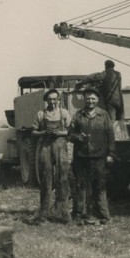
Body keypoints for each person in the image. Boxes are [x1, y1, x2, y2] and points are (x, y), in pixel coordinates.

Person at [69, 87, 115, 225]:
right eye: (88, 98)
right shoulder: (78, 115)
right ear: (84, 99)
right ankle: (80, 215)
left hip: (99, 156)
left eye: (93, 98)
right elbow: (69, 134)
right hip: (81, 157)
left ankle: (104, 215)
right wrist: (78, 137)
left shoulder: (104, 115)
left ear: (97, 100)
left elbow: (110, 136)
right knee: (81, 186)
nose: (90, 101)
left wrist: (111, 154)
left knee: (99, 186)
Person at [32, 88, 72, 223]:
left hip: (60, 146)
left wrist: (59, 133)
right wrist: (44, 132)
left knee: (63, 178)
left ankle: (62, 211)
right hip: (45, 146)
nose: (52, 102)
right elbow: (33, 132)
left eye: (55, 99)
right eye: (50, 99)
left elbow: (71, 132)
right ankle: (44, 212)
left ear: (58, 100)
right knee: (46, 177)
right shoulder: (40, 114)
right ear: (46, 101)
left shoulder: (64, 113)